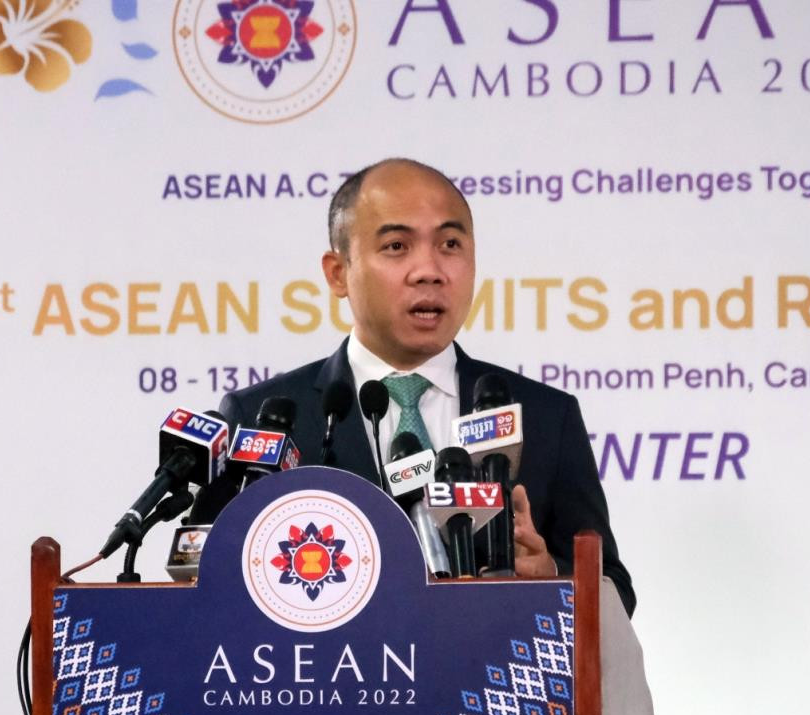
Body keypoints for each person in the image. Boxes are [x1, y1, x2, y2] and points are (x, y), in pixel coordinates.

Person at [210, 158, 635, 616]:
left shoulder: (545, 415)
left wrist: (549, 576)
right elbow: (215, 590)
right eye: (397, 246)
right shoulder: (262, 421)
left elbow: (615, 591)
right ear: (338, 273)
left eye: (450, 244)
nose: (429, 270)